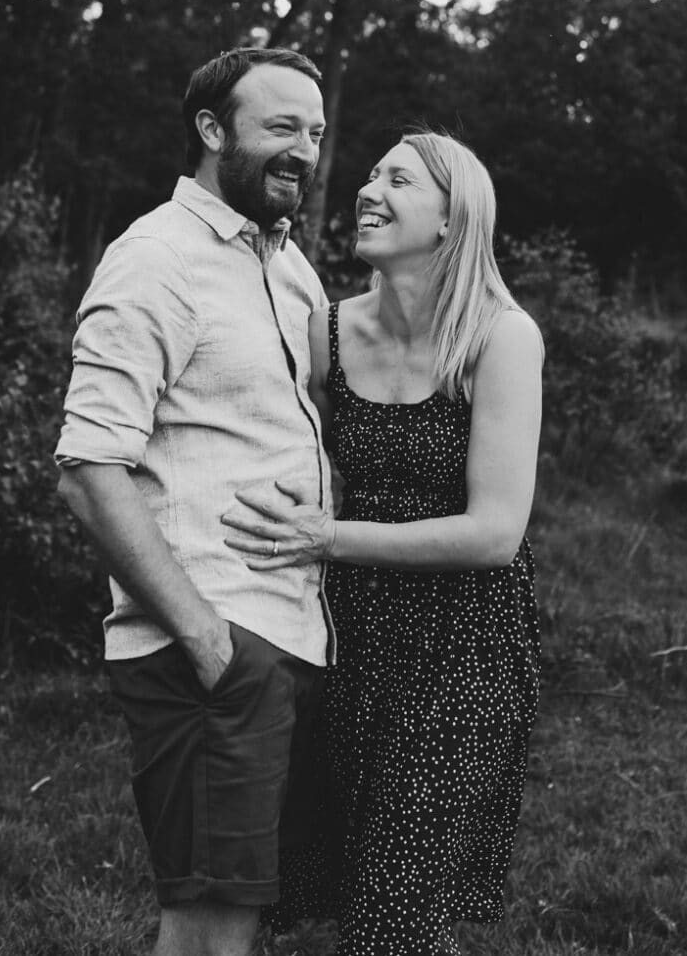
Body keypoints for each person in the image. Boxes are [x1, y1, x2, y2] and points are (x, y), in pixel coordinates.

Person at [222, 130, 544, 956]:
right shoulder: (325, 330)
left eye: (397, 179)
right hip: (342, 636)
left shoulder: (499, 339)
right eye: (369, 174)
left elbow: (494, 532)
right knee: (326, 883)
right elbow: (311, 454)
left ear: (450, 220)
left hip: (459, 647)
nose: (369, 188)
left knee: (398, 910)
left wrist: (325, 536)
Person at [54, 47, 333, 956]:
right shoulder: (155, 260)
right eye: (282, 127)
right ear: (212, 132)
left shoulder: (290, 271)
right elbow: (90, 467)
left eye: (317, 133)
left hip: (289, 640)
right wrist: (206, 636)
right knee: (208, 930)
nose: (305, 151)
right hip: (212, 647)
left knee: (239, 921)